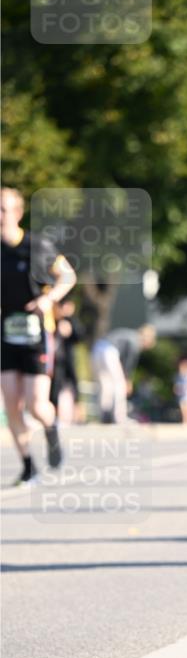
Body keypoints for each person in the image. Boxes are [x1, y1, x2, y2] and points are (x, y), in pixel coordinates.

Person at [1, 186, 76, 485]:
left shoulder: (37, 245)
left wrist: (48, 299)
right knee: (12, 405)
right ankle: (28, 465)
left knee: (36, 405)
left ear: (18, 213)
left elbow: (68, 275)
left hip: (37, 332)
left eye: (4, 209)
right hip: (6, 332)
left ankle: (51, 428)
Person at [91, 324, 156, 423]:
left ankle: (104, 414)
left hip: (97, 348)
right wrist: (128, 380)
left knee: (106, 385)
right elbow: (129, 361)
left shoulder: (129, 335)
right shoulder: (135, 340)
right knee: (119, 384)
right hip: (109, 350)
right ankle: (120, 416)